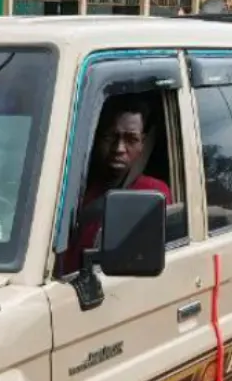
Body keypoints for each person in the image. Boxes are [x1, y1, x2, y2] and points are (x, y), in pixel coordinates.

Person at [63, 97, 172, 275]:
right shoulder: (75, 187)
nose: (119, 148)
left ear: (142, 144)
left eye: (131, 139)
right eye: (110, 137)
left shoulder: (153, 192)